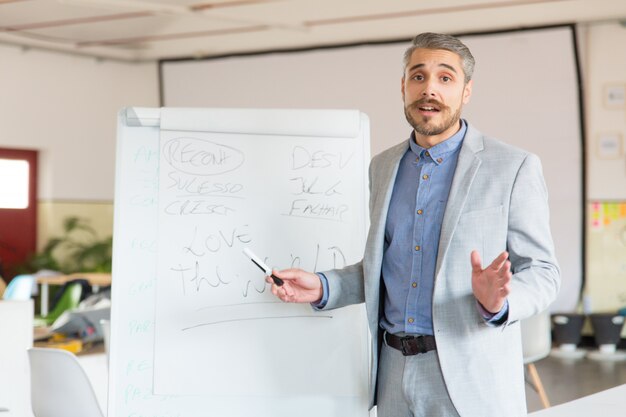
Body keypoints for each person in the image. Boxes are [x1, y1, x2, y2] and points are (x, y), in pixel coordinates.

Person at [267, 32, 560, 417]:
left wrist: (499, 302)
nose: (430, 89)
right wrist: (324, 286)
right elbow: (388, 267)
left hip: (470, 377)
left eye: (445, 78)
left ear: (466, 91)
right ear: (403, 87)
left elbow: (543, 273)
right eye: (418, 77)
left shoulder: (513, 166)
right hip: (392, 372)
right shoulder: (383, 166)